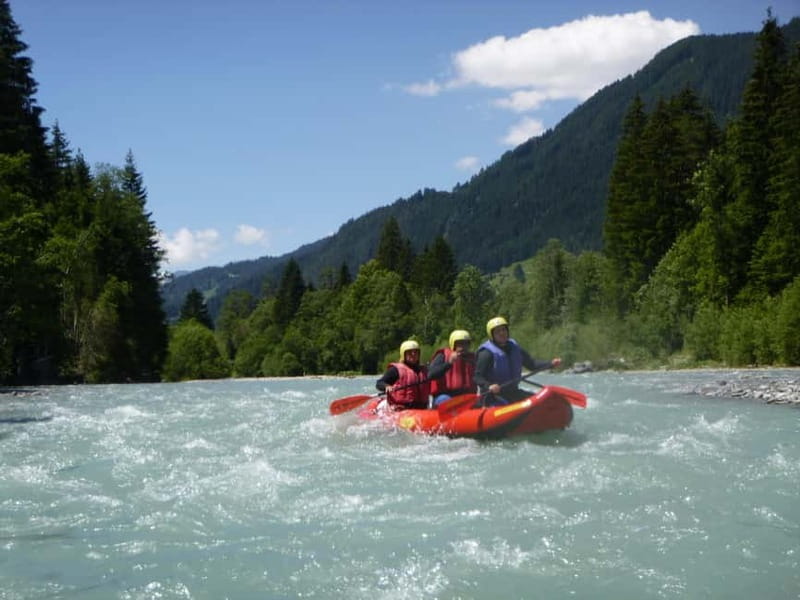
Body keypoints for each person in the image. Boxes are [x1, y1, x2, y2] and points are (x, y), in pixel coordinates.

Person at [474, 316, 561, 406]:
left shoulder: (515, 348)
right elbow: (477, 377)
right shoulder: (486, 353)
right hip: (492, 396)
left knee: (542, 403)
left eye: (504, 330)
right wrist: (489, 386)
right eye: (497, 331)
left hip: (513, 392)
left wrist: (550, 364)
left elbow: (532, 364)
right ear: (492, 335)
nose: (502, 333)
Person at [375, 340, 448, 410]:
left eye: (416, 352)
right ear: (404, 354)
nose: (413, 354)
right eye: (410, 352)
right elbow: (379, 383)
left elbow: (437, 373)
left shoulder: (425, 370)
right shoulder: (395, 370)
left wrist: (449, 364)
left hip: (422, 408)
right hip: (402, 409)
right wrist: (386, 386)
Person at [428, 330, 477, 407]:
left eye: (466, 343)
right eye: (460, 344)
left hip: (465, 396)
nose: (463, 347)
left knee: (478, 402)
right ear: (453, 344)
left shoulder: (472, 359)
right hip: (444, 395)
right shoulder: (442, 355)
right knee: (447, 400)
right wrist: (449, 363)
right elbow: (431, 374)